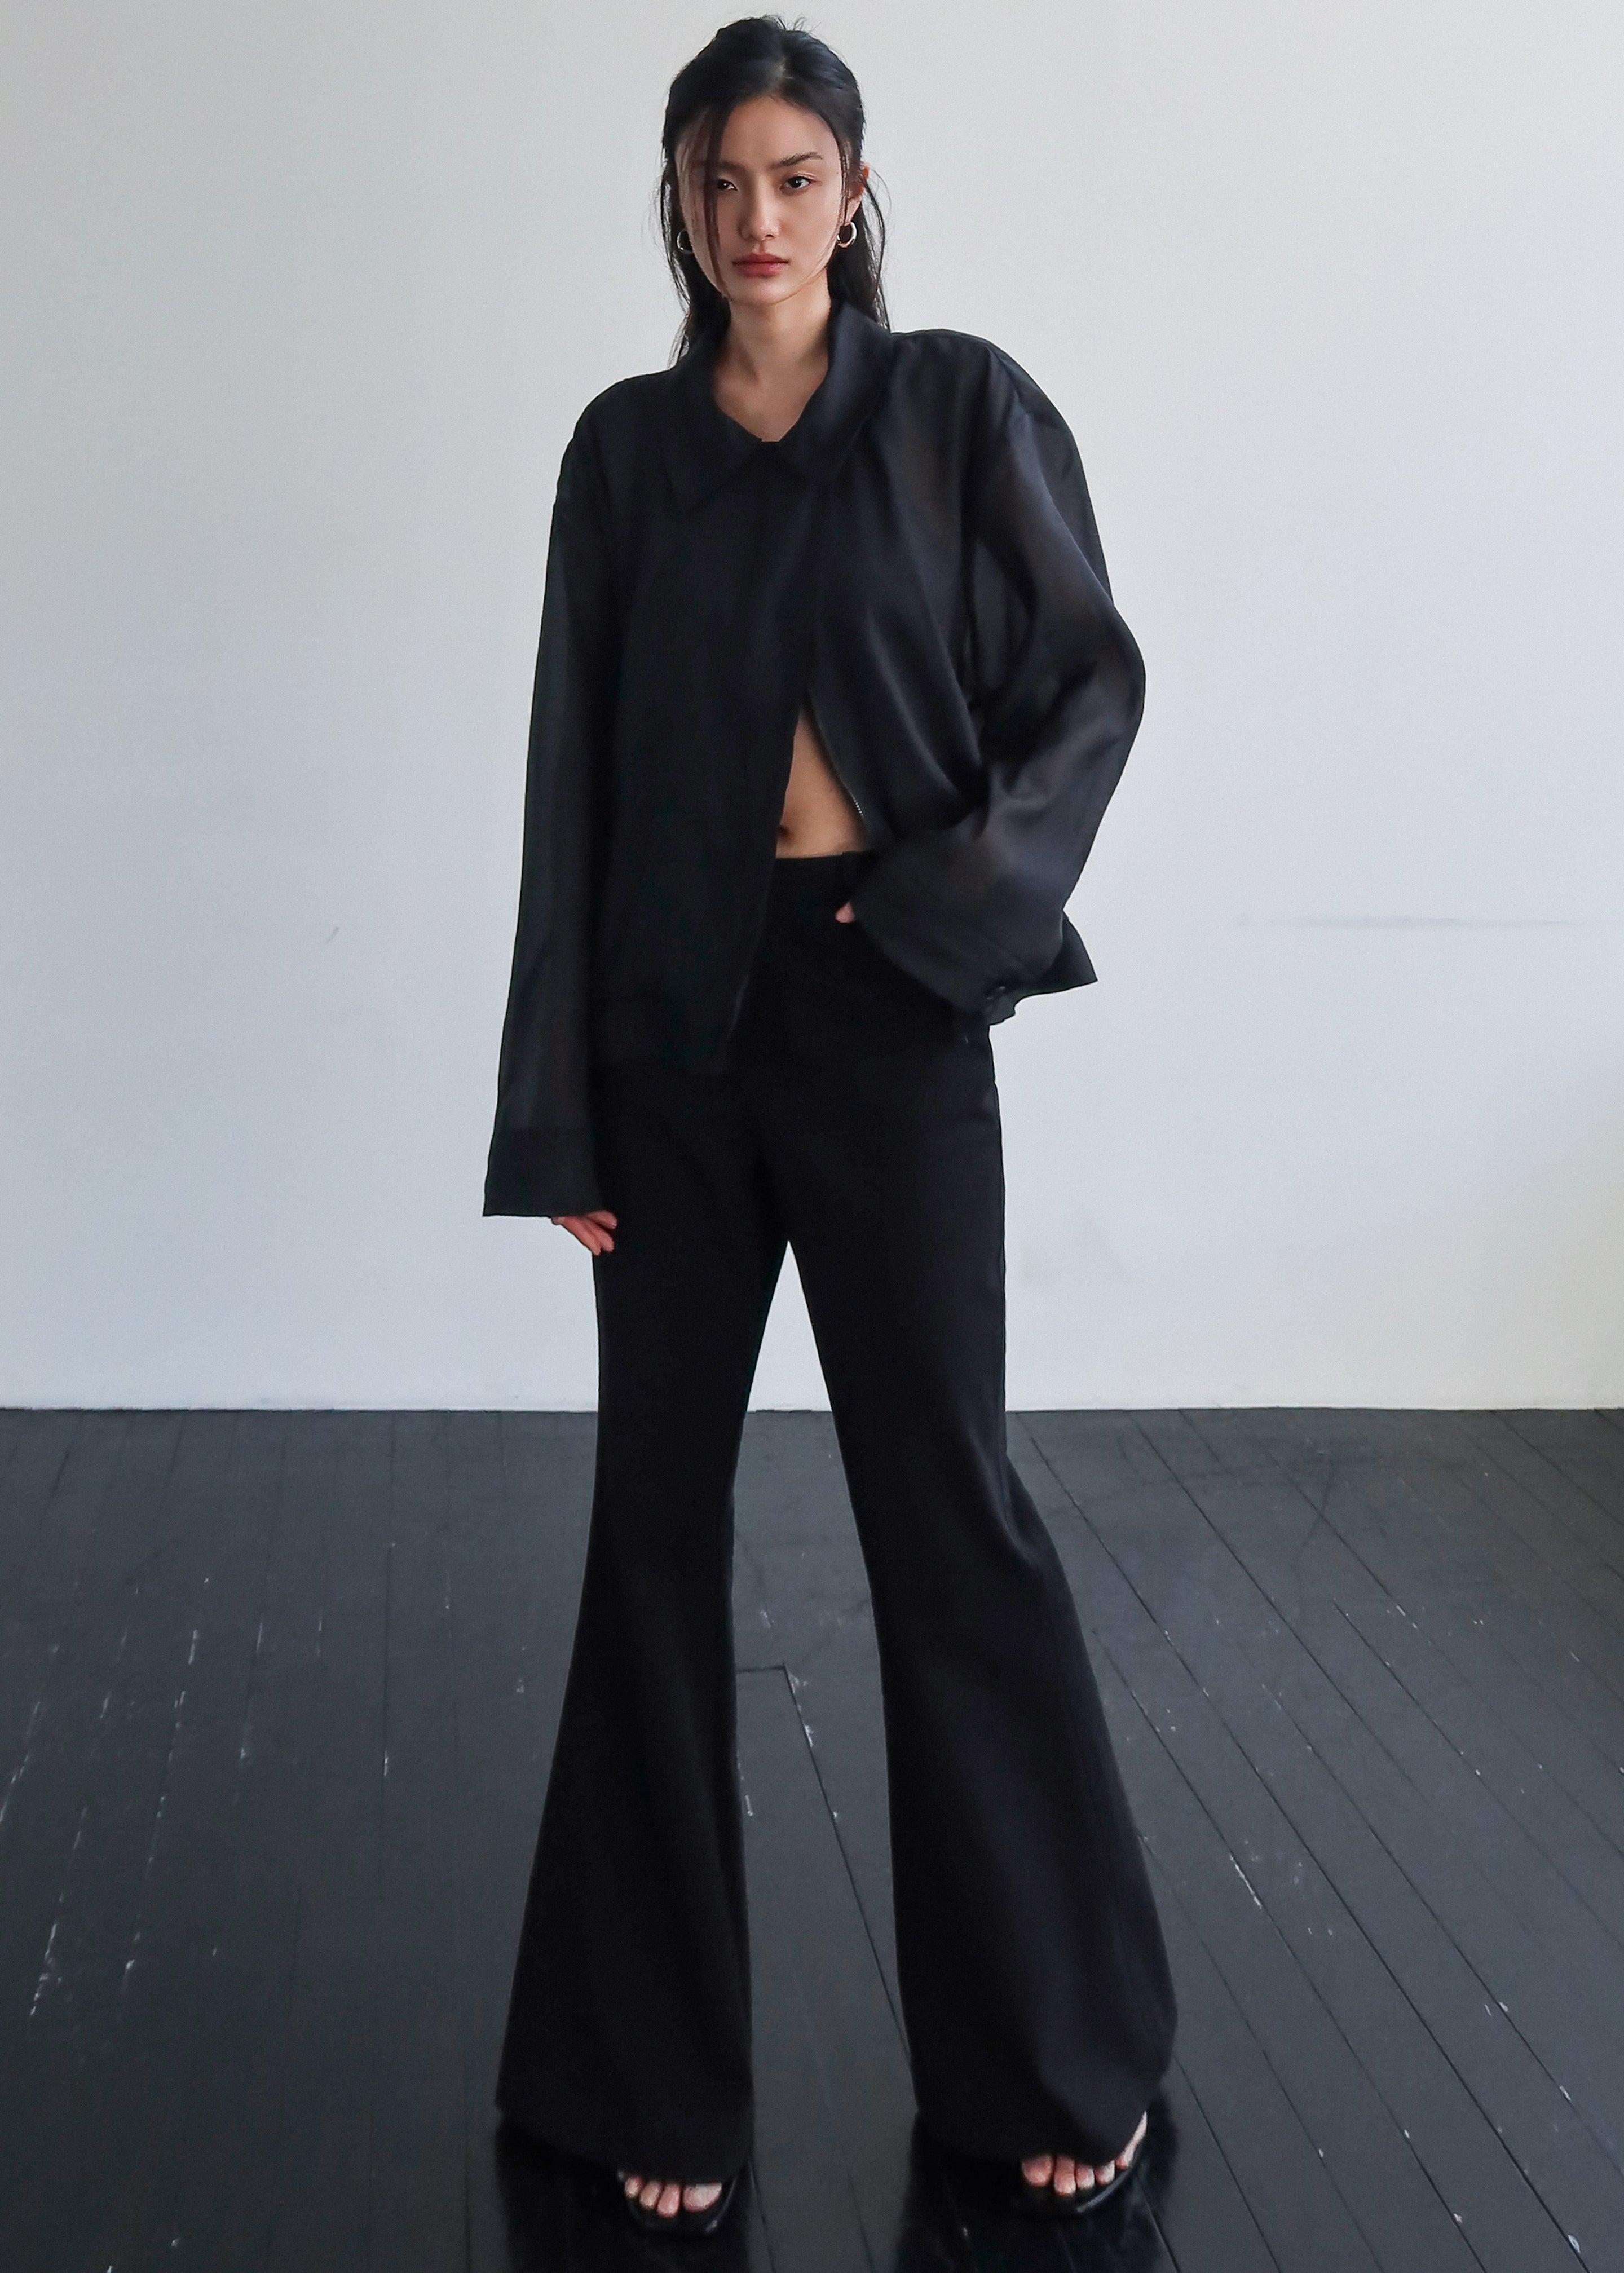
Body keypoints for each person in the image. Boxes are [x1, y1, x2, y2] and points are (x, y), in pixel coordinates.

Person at [483, 14, 1177, 2241]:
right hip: (675, 1049)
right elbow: (571, 780)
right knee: (652, 1532)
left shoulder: (961, 411)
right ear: (680, 205)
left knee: (949, 1516)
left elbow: (1088, 688)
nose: (758, 216)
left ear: (855, 193)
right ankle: (641, 2073)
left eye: (797, 176)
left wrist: (952, 918)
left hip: (890, 1015)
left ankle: (1053, 2053)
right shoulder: (624, 453)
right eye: (722, 180)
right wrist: (558, 1112)